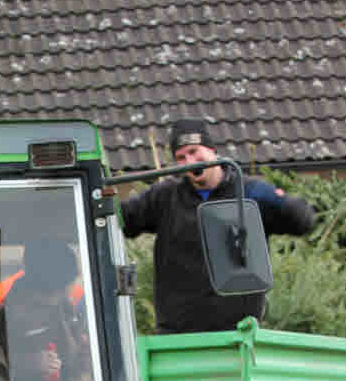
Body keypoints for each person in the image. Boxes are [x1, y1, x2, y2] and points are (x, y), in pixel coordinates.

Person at [120, 115, 315, 334]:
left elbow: (302, 221)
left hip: (237, 330)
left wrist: (282, 203)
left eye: (194, 151)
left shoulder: (248, 192)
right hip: (177, 332)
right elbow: (121, 218)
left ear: (212, 150)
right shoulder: (165, 198)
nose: (189, 161)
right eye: (181, 157)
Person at [0, 248, 95, 381]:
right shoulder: (8, 312)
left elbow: (87, 361)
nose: (69, 290)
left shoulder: (70, 308)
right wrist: (31, 363)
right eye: (66, 286)